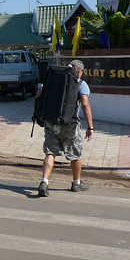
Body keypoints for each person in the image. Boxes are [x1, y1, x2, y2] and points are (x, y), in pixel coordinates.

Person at [38, 59, 94, 197]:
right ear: (79, 70)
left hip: (51, 122)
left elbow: (39, 95)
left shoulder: (54, 79)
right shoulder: (81, 84)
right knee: (75, 155)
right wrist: (90, 127)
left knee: (50, 153)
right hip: (70, 125)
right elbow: (85, 105)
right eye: (82, 72)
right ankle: (76, 183)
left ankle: (44, 182)